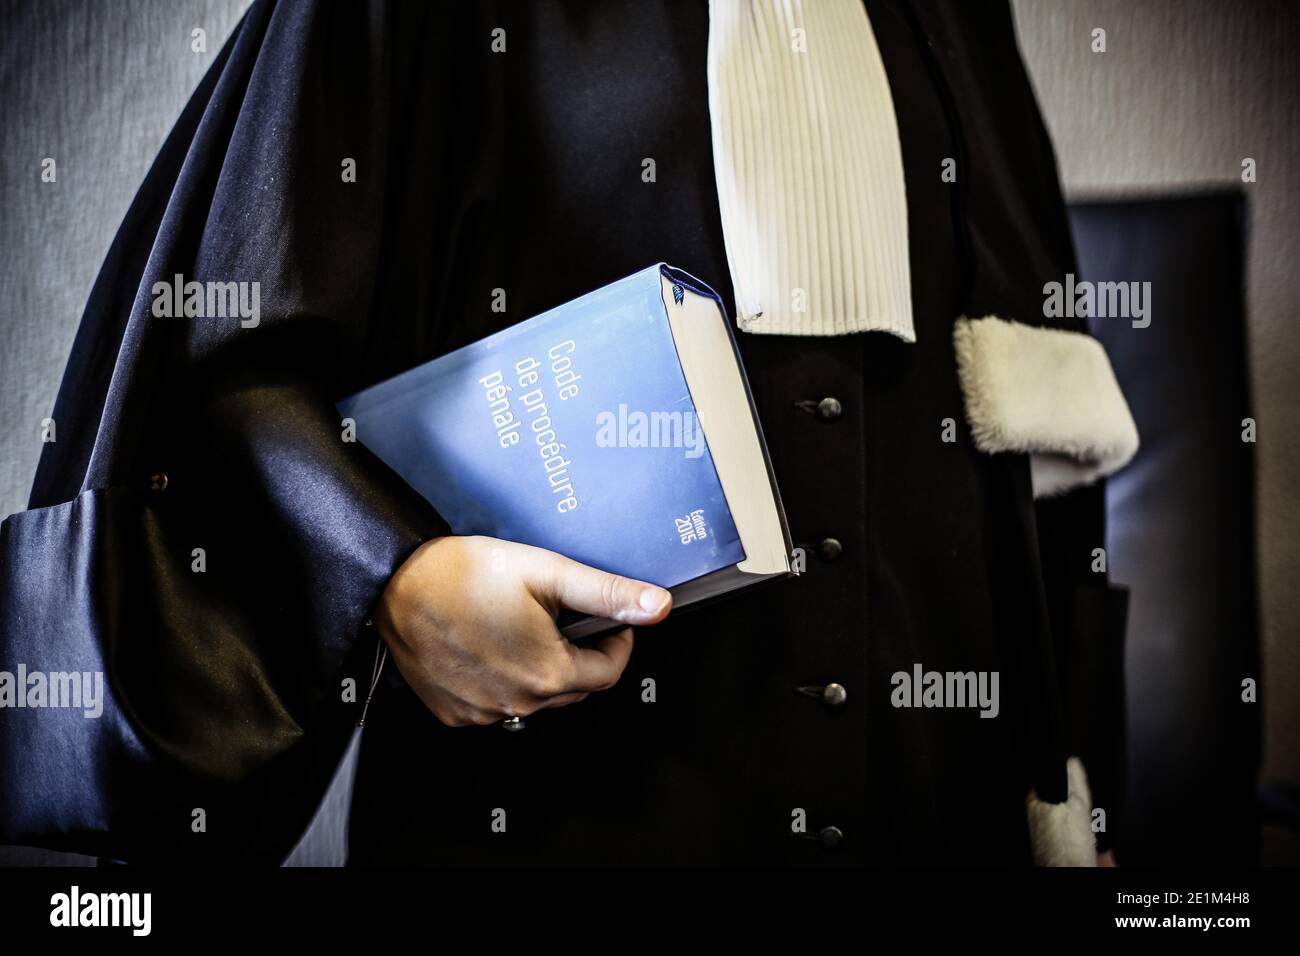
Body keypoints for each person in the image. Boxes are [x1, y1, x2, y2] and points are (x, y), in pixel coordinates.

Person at [0, 0, 1135, 866]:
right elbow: (229, 346)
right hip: (564, 800)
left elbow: (1038, 434)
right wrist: (393, 574)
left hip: (944, 796)